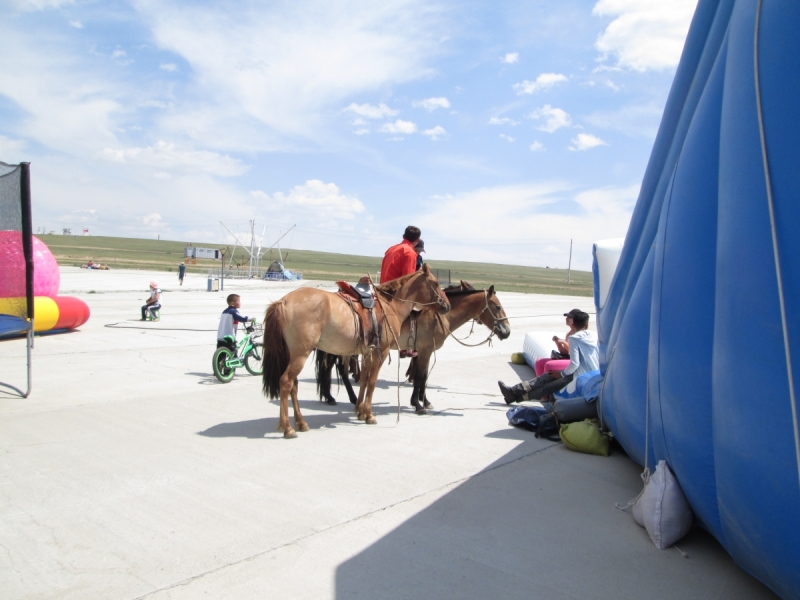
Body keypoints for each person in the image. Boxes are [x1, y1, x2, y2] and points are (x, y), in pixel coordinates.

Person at [499, 310, 598, 404]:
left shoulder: (574, 338)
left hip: (580, 375)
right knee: (548, 376)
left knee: (548, 386)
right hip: (592, 372)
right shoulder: (594, 335)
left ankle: (512, 395)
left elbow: (575, 363)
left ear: (573, 324)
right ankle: (513, 392)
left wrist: (562, 374)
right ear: (586, 325)